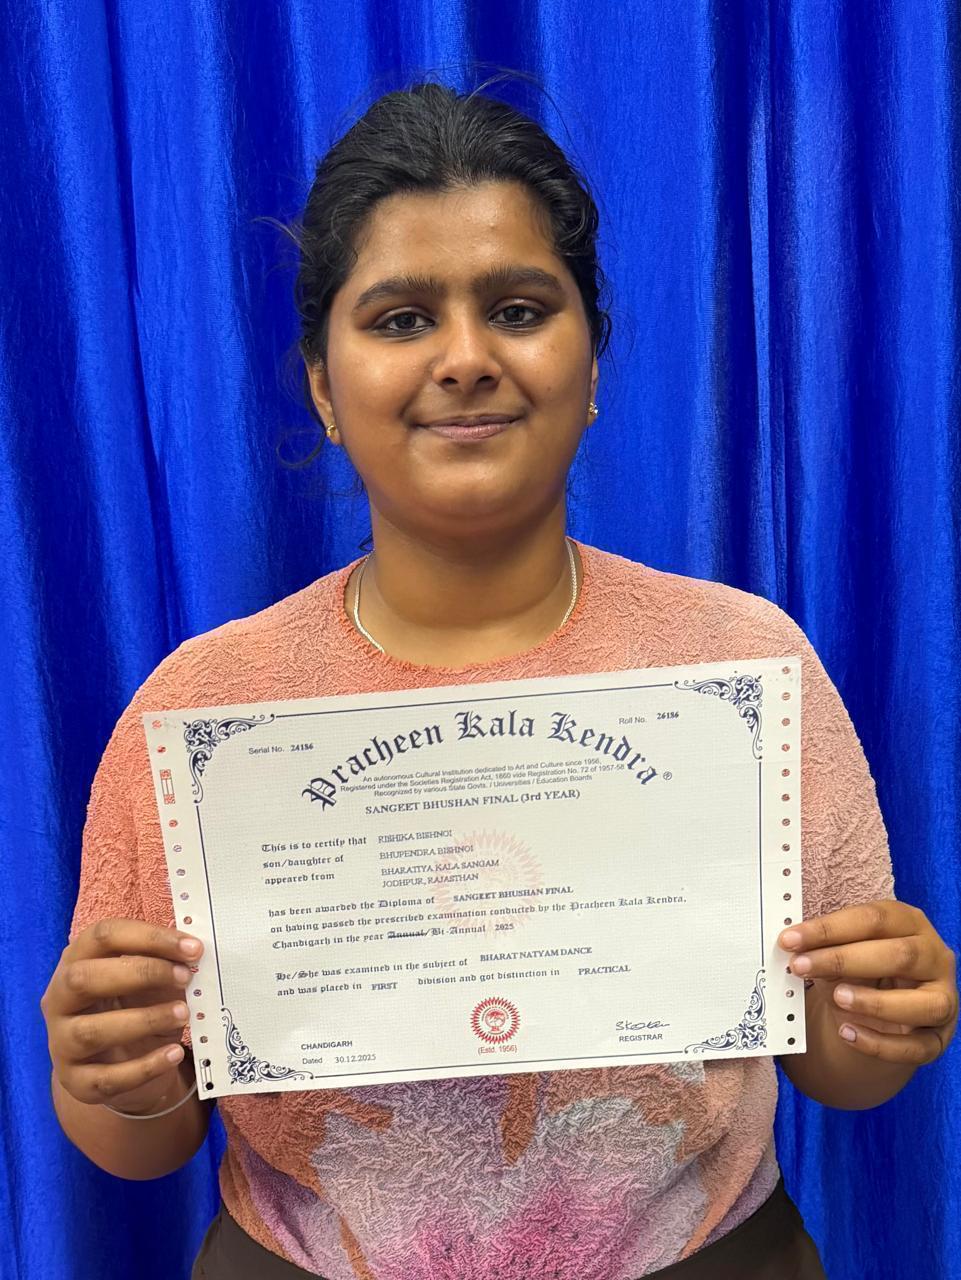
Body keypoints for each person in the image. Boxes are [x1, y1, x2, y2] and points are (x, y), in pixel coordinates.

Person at [42, 80, 958, 1280]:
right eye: (401, 319)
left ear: (591, 362)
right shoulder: (205, 711)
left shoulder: (741, 670)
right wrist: (110, 1074)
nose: (466, 359)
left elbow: (834, 1063)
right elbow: (140, 1140)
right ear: (322, 385)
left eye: (518, 309)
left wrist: (880, 1020)